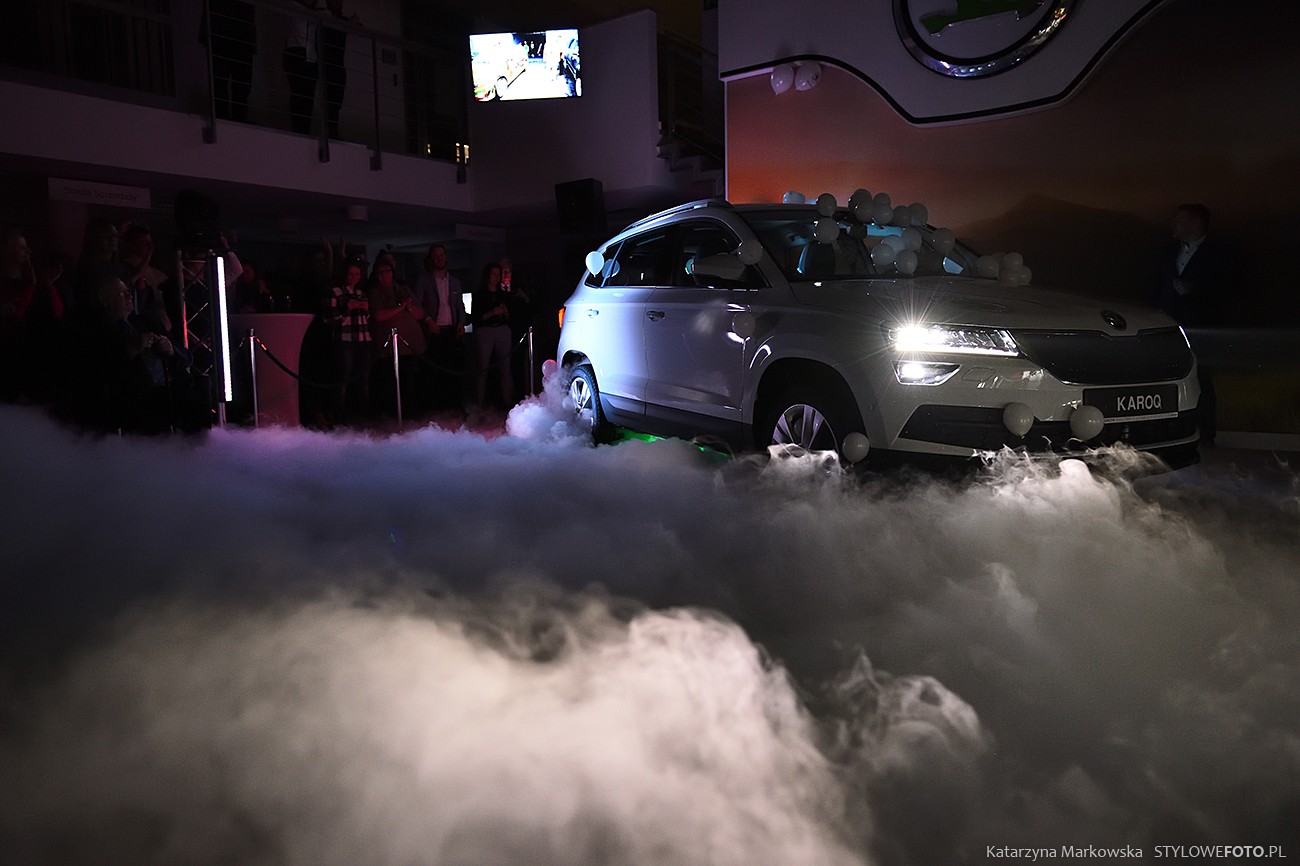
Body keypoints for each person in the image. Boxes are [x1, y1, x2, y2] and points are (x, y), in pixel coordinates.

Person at [1155, 203, 1232, 446]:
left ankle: (1206, 434)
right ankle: (1168, 433)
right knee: (1166, 380)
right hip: (1169, 329)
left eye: (1179, 220)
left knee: (1201, 380)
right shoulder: (1168, 252)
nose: (1173, 224)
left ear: (1196, 223)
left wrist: (1195, 289)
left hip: (1202, 329)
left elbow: (1229, 289)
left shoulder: (1218, 254)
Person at [1, 230, 65, 403]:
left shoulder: (33, 279)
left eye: (27, 248)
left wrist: (48, 286)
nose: (27, 252)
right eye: (21, 248)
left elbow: (57, 313)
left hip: (30, 347)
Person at [368, 255, 427, 419]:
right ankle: (393, 417)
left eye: (386, 271)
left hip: (410, 344)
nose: (383, 275)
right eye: (380, 272)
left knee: (410, 382)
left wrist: (408, 307)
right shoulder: (375, 291)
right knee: (391, 383)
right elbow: (379, 315)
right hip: (388, 348)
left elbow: (420, 313)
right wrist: (401, 307)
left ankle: (411, 415)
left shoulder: (403, 289)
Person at [412, 243, 466, 413]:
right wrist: (428, 320)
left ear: (446, 257)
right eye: (436, 256)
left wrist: (461, 322)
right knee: (433, 371)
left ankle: (452, 406)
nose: (439, 258)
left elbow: (460, 306)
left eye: (442, 255)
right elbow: (417, 303)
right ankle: (434, 408)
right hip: (433, 331)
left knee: (452, 369)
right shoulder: (424, 279)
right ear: (431, 258)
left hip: (451, 330)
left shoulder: (455, 281)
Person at [324, 258, 371, 425]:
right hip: (344, 341)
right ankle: (339, 419)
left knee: (362, 380)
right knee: (343, 379)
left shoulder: (361, 293)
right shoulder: (335, 292)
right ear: (345, 274)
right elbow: (329, 319)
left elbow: (366, 319)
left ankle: (362, 417)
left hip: (363, 339)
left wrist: (366, 310)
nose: (354, 277)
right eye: (351, 274)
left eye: (357, 274)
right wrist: (347, 307)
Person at [471, 261, 514, 411]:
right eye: (493, 274)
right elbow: (476, 318)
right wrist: (492, 313)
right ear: (487, 276)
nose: (496, 277)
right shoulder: (479, 295)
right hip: (485, 331)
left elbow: (510, 315)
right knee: (482, 368)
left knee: (505, 368)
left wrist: (505, 313)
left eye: (498, 274)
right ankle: (480, 403)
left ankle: (507, 402)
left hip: (502, 329)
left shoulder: (503, 295)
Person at [206, 0, 257, 122]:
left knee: (239, 81)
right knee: (224, 79)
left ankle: (234, 116)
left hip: (236, 34)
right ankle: (226, 115)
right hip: (225, 32)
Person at [282, 0, 327, 134]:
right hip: (295, 51)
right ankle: (298, 129)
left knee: (308, 95)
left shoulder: (318, 11)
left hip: (311, 55)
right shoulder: (293, 4)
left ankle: (304, 129)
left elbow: (327, 14)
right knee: (298, 93)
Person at [118, 223, 171, 335]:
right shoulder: (122, 270)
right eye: (144, 242)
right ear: (131, 244)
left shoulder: (157, 274)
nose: (150, 247)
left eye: (150, 243)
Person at [498, 257, 533, 398]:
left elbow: (528, 309)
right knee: (502, 368)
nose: (506, 275)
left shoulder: (519, 290)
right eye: (503, 271)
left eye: (508, 272)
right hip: (501, 334)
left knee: (518, 366)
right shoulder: (495, 291)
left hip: (518, 333)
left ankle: (519, 396)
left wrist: (525, 299)